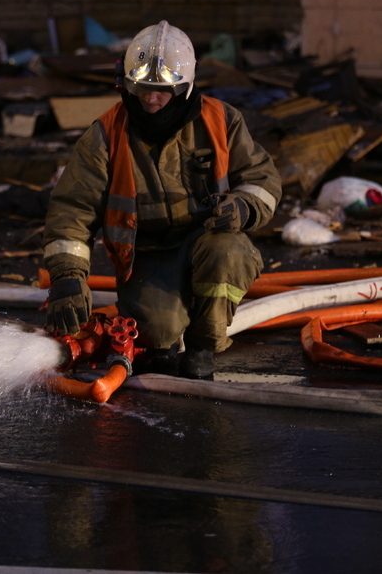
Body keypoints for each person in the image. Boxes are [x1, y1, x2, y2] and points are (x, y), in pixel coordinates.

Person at [42, 21, 282, 379]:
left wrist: (244, 207)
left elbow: (262, 180)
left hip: (208, 242)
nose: (151, 100)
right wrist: (67, 278)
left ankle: (202, 347)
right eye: (142, 88)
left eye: (162, 91)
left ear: (184, 87)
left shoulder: (221, 121)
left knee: (229, 253)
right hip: (147, 256)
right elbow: (72, 210)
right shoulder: (106, 135)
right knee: (154, 335)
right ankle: (166, 340)